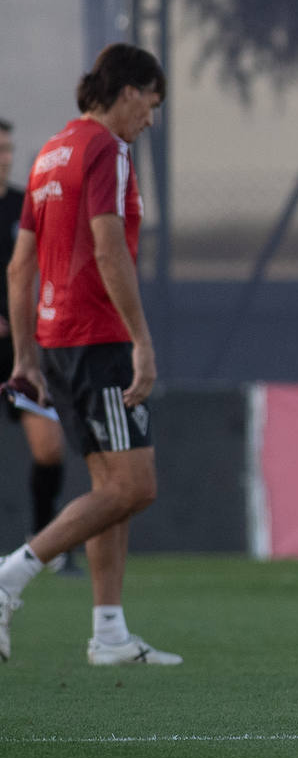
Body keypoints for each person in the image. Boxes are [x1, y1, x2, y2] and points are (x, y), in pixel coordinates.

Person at [0, 42, 180, 665]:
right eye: (151, 104)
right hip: (98, 337)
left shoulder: (51, 151)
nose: (150, 120)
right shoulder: (107, 149)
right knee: (136, 484)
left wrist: (25, 353)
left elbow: (20, 264)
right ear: (129, 91)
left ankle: (108, 632)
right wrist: (142, 341)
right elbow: (110, 250)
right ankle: (11, 575)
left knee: (113, 484)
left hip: (55, 340)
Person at [1, 118, 73, 576]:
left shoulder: (21, 205)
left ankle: (46, 546)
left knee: (49, 449)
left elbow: (41, 265)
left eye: (8, 148)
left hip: (20, 351)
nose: (4, 156)